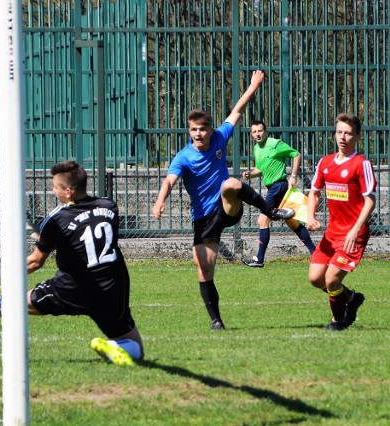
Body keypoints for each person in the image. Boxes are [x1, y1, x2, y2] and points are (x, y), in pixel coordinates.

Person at [0, 160, 144, 365]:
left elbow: (35, 262)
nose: (53, 189)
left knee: (13, 305)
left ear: (69, 191)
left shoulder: (56, 219)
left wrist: (3, 272)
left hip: (73, 288)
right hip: (112, 289)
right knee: (135, 348)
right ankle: (115, 347)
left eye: (55, 186)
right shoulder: (109, 206)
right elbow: (86, 230)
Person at [152, 70, 294, 331]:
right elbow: (170, 180)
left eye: (202, 129)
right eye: (194, 130)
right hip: (204, 219)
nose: (198, 133)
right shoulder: (183, 157)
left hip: (226, 207)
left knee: (230, 184)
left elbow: (238, 109)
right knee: (204, 270)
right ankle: (216, 320)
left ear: (209, 129)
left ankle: (270, 210)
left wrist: (252, 87)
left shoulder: (220, 135)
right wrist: (160, 201)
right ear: (189, 131)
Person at [306, 113, 376, 331]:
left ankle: (339, 321)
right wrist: (310, 216)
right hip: (332, 233)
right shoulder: (325, 163)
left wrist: (356, 230)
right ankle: (351, 298)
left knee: (331, 280)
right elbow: (314, 192)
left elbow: (370, 200)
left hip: (353, 235)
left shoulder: (361, 164)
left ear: (357, 137)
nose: (342, 137)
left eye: (348, 133)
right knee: (316, 279)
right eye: (339, 132)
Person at [242, 120, 315, 267]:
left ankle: (259, 259)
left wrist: (293, 176)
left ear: (265, 131)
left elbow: (296, 154)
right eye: (254, 132)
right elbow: (260, 169)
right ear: (251, 134)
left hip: (279, 186)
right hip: (273, 188)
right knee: (292, 222)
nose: (257, 134)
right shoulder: (257, 148)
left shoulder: (275, 144)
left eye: (260, 131)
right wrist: (250, 174)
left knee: (262, 221)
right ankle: (315, 253)